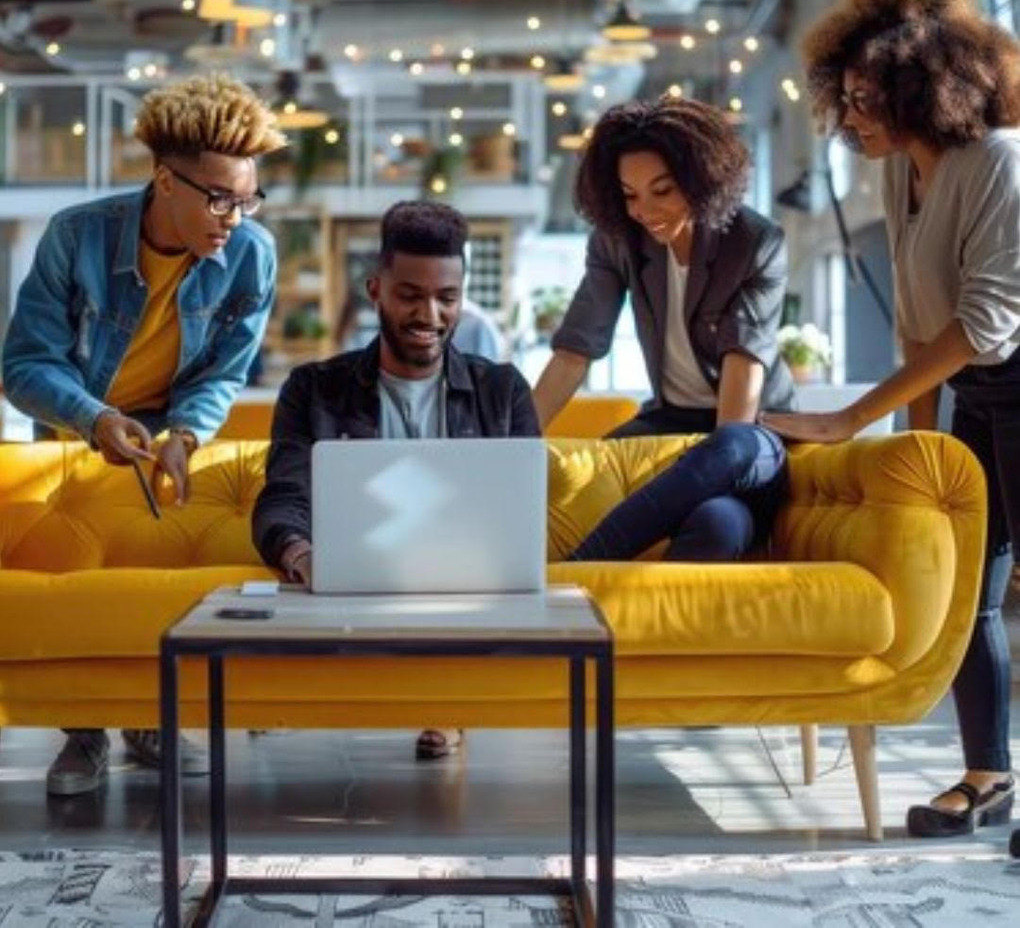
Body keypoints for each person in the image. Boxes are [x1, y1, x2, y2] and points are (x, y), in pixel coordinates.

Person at [761, 0, 1020, 838]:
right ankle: (990, 776)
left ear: (927, 85)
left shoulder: (999, 161)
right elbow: (920, 326)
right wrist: (921, 462)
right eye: (846, 95)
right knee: (968, 594)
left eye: (868, 97)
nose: (849, 116)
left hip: (1015, 374)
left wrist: (848, 419)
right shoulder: (898, 174)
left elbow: (984, 321)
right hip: (981, 393)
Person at [2, 72, 285, 795]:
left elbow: (225, 371)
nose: (233, 215)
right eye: (219, 197)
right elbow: (23, 363)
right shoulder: (77, 236)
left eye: (247, 197)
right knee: (80, 581)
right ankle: (84, 730)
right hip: (74, 428)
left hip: (166, 432)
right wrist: (95, 419)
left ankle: (149, 718)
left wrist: (187, 434)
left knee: (155, 581)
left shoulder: (252, 255)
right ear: (165, 180)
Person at [252, 200, 539, 760]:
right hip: (348, 585)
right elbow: (282, 497)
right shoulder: (314, 389)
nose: (429, 315)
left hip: (466, 589)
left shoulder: (502, 392)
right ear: (375, 288)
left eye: (447, 298)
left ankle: (442, 700)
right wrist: (303, 553)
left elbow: (524, 512)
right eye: (410, 295)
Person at [531, 96, 792, 564]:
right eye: (630, 195)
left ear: (700, 181)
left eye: (663, 190)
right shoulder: (617, 241)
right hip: (669, 421)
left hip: (751, 433)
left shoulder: (755, 242)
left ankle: (578, 573)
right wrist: (507, 447)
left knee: (728, 454)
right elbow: (575, 352)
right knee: (711, 523)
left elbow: (744, 369)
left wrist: (701, 462)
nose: (644, 210)